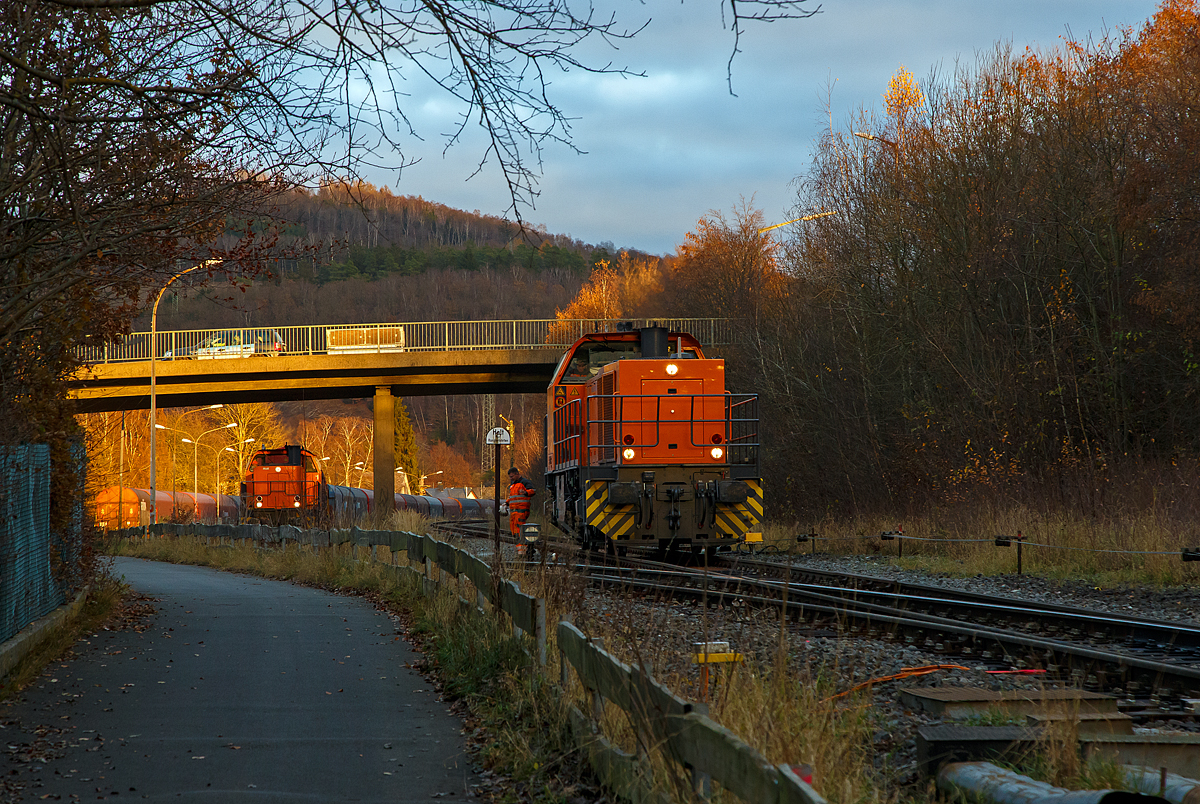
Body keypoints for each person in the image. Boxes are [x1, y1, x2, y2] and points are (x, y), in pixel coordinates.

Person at [506, 466, 536, 543]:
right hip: (514, 511)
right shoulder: (513, 485)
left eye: (512, 476)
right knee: (514, 527)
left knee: (519, 528)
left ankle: (522, 543)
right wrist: (506, 503)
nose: (511, 478)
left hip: (522, 510)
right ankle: (519, 542)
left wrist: (526, 492)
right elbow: (512, 497)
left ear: (517, 474)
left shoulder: (525, 482)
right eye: (510, 477)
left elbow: (532, 491)